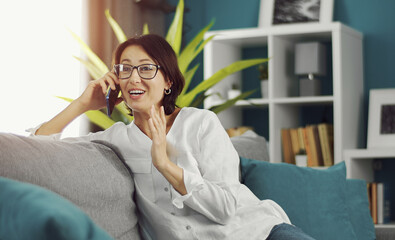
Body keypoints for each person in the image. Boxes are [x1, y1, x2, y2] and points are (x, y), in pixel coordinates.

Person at [31, 34, 315, 240]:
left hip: (259, 232)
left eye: (145, 68)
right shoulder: (116, 139)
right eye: (124, 69)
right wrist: (82, 104)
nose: (133, 78)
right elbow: (36, 149)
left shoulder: (201, 123)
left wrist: (165, 165)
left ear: (167, 81)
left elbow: (227, 209)